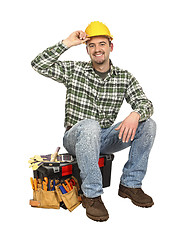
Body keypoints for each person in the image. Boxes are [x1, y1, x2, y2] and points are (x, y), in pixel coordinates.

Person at [31, 21, 156, 222]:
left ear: (110, 47)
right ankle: (92, 195)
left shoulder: (124, 77)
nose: (97, 49)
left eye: (102, 44)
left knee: (148, 124)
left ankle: (130, 184)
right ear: (87, 49)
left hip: (105, 138)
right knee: (91, 125)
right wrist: (67, 43)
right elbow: (38, 64)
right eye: (92, 45)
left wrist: (135, 114)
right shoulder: (75, 70)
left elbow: (146, 104)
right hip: (76, 136)